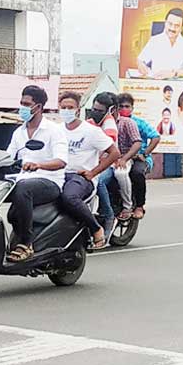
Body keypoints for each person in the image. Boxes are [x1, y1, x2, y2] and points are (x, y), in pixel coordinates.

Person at [4, 85, 68, 263]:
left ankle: (27, 243)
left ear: (38, 107)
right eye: (21, 103)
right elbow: (8, 156)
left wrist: (38, 165)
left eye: (26, 104)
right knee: (2, 200)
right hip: (23, 180)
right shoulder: (19, 132)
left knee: (23, 189)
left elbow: (61, 161)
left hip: (49, 181)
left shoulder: (54, 131)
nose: (22, 107)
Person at [57, 91, 121, 250]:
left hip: (80, 177)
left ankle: (96, 228)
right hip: (57, 174)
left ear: (78, 110)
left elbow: (114, 153)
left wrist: (93, 172)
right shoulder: (55, 130)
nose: (66, 110)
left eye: (70, 107)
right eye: (63, 107)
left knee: (69, 197)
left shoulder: (91, 131)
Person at [90, 92, 141, 232]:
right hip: (96, 162)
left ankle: (123, 208)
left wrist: (124, 159)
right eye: (94, 109)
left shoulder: (122, 123)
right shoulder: (91, 124)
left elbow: (136, 143)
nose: (96, 113)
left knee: (115, 175)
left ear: (112, 110)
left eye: (100, 111)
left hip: (118, 160)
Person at [118, 92, 161, 220]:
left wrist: (144, 153)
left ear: (132, 108)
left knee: (137, 173)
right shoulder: (113, 122)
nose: (124, 109)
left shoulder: (139, 123)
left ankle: (139, 206)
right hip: (119, 158)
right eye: (120, 106)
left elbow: (156, 137)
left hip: (139, 158)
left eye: (127, 106)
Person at [136, 8, 183, 79]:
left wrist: (173, 73)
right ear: (165, 23)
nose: (172, 28)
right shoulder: (155, 41)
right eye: (170, 24)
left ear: (181, 28)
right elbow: (140, 59)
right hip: (156, 82)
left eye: (177, 26)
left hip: (177, 85)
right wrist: (141, 65)